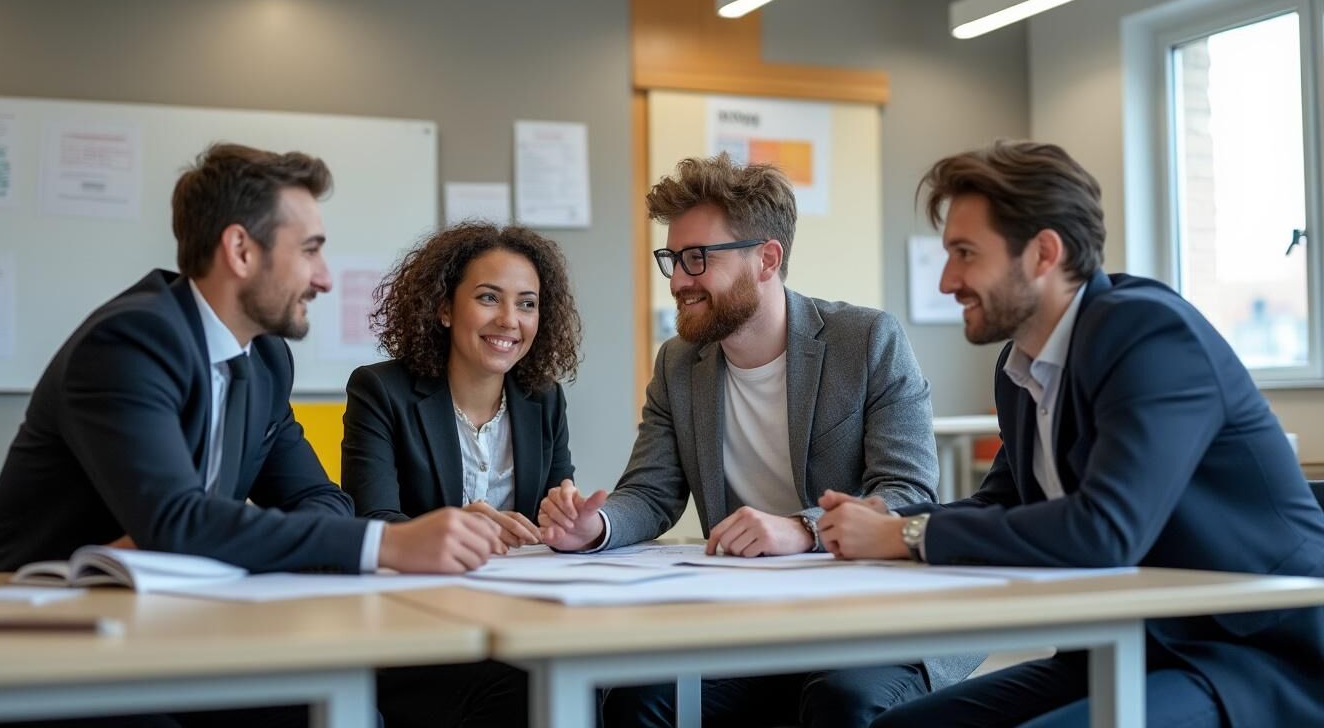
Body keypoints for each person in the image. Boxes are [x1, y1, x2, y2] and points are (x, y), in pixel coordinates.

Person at [0, 143, 504, 726]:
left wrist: (212, 537)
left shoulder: (264, 359)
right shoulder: (131, 343)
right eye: (309, 251)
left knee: (343, 711)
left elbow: (320, 498)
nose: (325, 279)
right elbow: (177, 521)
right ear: (240, 250)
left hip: (175, 626)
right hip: (43, 642)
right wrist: (387, 545)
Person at [817, 140, 1324, 728]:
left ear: (1043, 253)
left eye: (964, 253)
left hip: (1249, 658)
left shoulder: (1149, 334)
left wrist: (906, 536)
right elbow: (998, 504)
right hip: (1128, 648)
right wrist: (868, 526)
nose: (947, 281)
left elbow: (1106, 530)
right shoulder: (1022, 367)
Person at [537, 153, 978, 728]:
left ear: (767, 259)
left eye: (697, 259)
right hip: (749, 618)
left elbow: (908, 490)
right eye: (673, 259)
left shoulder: (866, 340)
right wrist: (596, 527)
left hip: (869, 615)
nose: (677, 280)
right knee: (635, 696)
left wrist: (802, 529)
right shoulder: (678, 363)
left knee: (842, 701)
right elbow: (650, 491)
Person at [342, 222, 582, 727]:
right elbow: (372, 521)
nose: (509, 321)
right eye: (489, 298)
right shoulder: (381, 392)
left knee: (591, 677)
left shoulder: (544, 400)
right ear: (445, 308)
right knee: (526, 686)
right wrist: (456, 525)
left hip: (521, 618)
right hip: (418, 630)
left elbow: (552, 515)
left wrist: (568, 521)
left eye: (527, 303)